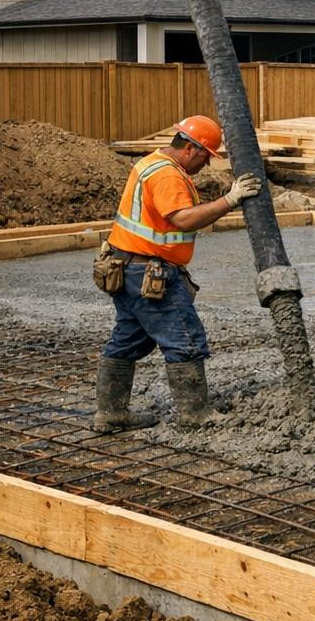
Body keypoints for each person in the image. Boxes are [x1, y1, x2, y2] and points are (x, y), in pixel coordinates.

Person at [93, 114, 262, 431]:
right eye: (207, 158)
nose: (206, 166)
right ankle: (195, 417)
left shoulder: (151, 163)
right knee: (186, 339)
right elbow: (182, 219)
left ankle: (110, 414)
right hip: (148, 273)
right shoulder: (168, 176)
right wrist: (230, 199)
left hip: (124, 268)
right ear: (193, 150)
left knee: (129, 339)